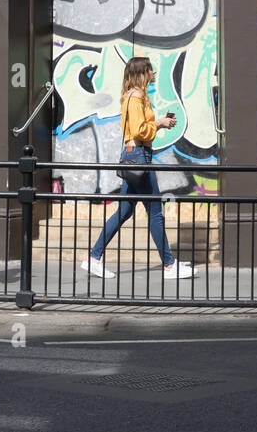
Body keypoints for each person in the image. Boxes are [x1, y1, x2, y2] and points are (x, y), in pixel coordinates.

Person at [81, 56, 195, 281]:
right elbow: (138, 130)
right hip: (139, 157)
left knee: (124, 211)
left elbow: (141, 127)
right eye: (150, 69)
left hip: (137, 155)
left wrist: (158, 122)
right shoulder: (135, 97)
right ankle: (170, 265)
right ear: (142, 73)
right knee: (155, 211)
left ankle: (93, 258)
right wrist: (159, 124)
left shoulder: (136, 96)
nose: (154, 72)